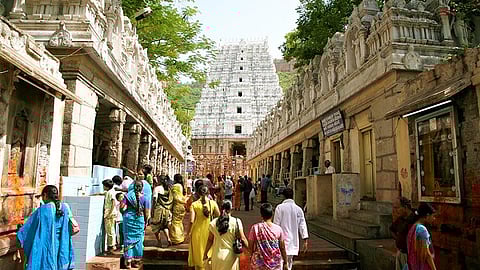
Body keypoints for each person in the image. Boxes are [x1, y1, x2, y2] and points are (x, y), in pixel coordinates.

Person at [16, 185, 75, 270]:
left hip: (46, 247)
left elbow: (27, 230)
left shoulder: (43, 210)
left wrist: (20, 230)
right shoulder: (65, 208)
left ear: (45, 195)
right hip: (60, 247)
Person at [204, 200, 248, 270]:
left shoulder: (213, 223)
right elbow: (243, 238)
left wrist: (205, 253)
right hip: (231, 257)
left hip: (216, 256)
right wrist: (250, 250)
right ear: (231, 209)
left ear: (221, 209)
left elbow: (210, 240)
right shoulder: (236, 222)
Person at [273, 187, 309, 270]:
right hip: (293, 241)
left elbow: (276, 225)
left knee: (280, 263)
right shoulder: (298, 209)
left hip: (281, 241)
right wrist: (305, 240)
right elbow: (302, 225)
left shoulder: (279, 208)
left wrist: (274, 239)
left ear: (283, 196)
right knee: (289, 262)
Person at [188, 185, 220, 270]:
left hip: (197, 232)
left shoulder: (194, 205)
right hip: (209, 231)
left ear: (198, 193)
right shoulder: (213, 203)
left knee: (198, 254)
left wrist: (188, 232)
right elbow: (219, 216)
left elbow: (191, 221)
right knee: (208, 252)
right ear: (208, 193)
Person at [121, 180, 151, 269]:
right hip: (139, 220)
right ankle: (137, 261)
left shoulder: (128, 196)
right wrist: (145, 222)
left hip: (128, 219)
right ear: (142, 188)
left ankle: (128, 262)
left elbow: (121, 207)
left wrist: (125, 213)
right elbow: (147, 213)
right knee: (138, 240)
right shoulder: (145, 198)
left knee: (128, 239)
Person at [248, 203, 288, 270]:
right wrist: (285, 262)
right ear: (272, 214)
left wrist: (251, 255)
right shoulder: (278, 229)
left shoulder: (255, 228)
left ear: (261, 214)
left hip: (259, 263)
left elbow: (251, 245)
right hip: (275, 263)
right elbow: (282, 247)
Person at [406, 203, 437, 270]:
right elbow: (426, 254)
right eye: (433, 216)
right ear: (427, 215)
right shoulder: (422, 230)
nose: (434, 219)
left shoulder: (413, 227)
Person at [151, 177, 173, 247]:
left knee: (155, 226)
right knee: (164, 225)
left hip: (159, 210)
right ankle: (168, 239)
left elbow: (155, 199)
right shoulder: (169, 189)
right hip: (167, 210)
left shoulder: (157, 188)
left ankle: (159, 242)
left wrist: (152, 209)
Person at [170, 174, 187, 245]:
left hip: (176, 206)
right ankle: (181, 237)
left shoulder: (175, 187)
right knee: (179, 222)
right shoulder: (182, 186)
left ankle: (176, 239)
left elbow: (172, 197)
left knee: (175, 222)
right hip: (182, 206)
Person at [102, 179, 117, 254]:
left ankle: (111, 247)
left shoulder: (110, 193)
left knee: (110, 230)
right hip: (111, 214)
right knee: (111, 230)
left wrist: (109, 213)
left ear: (106, 186)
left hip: (110, 214)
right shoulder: (109, 192)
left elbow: (113, 202)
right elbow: (102, 193)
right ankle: (112, 245)